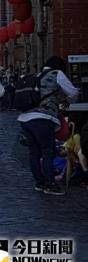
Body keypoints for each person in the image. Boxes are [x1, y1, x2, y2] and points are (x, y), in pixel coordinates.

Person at [18, 56, 79, 195]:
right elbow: (73, 92)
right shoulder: (56, 74)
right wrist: (67, 99)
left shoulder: (36, 76)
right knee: (48, 152)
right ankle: (50, 184)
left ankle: (39, 182)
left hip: (25, 118)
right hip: (43, 118)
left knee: (34, 153)